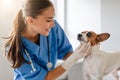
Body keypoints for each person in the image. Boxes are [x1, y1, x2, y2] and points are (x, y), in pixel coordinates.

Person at [5, 0, 91, 80]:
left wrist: (82, 53)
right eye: (48, 20)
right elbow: (44, 78)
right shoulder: (14, 49)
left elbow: (66, 53)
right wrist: (74, 58)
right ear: (31, 21)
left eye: (53, 18)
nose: (53, 24)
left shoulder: (53, 29)